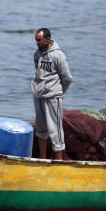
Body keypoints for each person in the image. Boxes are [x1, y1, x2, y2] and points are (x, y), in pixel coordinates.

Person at [30, 28, 72, 160]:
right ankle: (42, 159)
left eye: (39, 40)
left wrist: (58, 92)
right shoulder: (37, 54)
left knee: (55, 131)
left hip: (53, 97)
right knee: (41, 130)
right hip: (39, 96)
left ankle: (59, 160)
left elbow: (67, 78)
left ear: (47, 40)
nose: (36, 42)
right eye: (35, 39)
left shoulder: (58, 56)